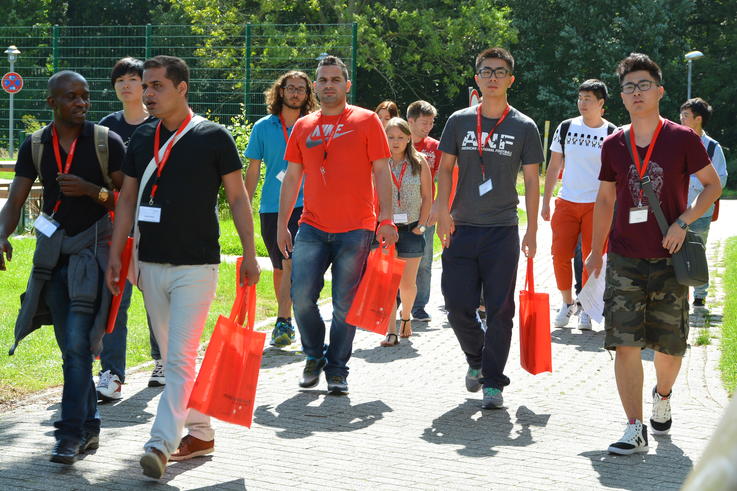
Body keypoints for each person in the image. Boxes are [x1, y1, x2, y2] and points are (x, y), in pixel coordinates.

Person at [105, 55, 260, 480]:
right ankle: (201, 433)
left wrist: (249, 253)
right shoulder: (141, 139)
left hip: (197, 265)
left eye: (156, 86)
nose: (148, 94)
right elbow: (127, 204)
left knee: (180, 357)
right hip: (148, 263)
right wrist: (117, 258)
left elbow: (238, 199)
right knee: (177, 359)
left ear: (181, 88)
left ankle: (159, 442)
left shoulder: (213, 136)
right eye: (146, 86)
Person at [585, 53, 720, 455]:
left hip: (668, 257)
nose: (636, 92)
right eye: (629, 87)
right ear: (622, 97)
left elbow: (711, 187)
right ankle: (633, 426)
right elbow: (605, 199)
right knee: (624, 343)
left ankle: (663, 396)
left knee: (669, 346)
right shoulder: (613, 143)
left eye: (643, 85)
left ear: (660, 91)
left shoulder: (682, 138)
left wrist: (683, 222)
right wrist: (596, 253)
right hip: (625, 258)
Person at [0, 71, 125, 464]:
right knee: (71, 349)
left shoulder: (107, 142)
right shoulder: (35, 144)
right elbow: (16, 199)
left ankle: (68, 435)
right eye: (71, 97)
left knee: (76, 347)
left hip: (94, 254)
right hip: (52, 257)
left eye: (85, 96)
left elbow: (128, 202)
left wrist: (94, 191)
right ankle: (89, 426)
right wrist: (1, 235)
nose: (81, 103)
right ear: (51, 102)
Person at [277, 55, 397, 395]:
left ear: (346, 85)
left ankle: (338, 369)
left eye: (335, 80)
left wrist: (385, 218)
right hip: (312, 227)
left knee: (345, 304)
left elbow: (382, 172)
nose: (329, 85)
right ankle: (314, 355)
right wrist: (282, 224)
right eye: (323, 80)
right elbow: (292, 179)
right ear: (316, 86)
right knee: (301, 298)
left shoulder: (366, 120)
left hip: (356, 228)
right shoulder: (304, 126)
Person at [431, 47, 543, 410]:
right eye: (485, 71)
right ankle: (478, 359)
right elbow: (444, 169)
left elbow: (531, 181)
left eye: (499, 72)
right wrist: (440, 211)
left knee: (500, 309)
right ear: (477, 78)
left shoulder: (524, 126)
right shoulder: (459, 121)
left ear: (510, 80)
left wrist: (532, 231)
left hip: (502, 230)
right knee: (457, 305)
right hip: (461, 227)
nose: (492, 77)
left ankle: (494, 381)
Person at [96, 57, 164, 403]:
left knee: (155, 296)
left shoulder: (160, 124)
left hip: (155, 226)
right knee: (115, 298)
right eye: (119, 79)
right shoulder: (105, 129)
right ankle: (112, 373)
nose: (126, 85)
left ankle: (163, 360)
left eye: (133, 79)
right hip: (116, 225)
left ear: (146, 85)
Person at [245, 70, 318, 347]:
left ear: (308, 94)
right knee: (280, 267)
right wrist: (245, 205)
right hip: (271, 207)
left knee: (291, 263)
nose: (296, 93)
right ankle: (286, 316)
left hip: (307, 204)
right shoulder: (263, 127)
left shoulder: (314, 125)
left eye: (301, 89)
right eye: (291, 88)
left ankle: (284, 320)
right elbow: (253, 169)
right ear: (280, 91)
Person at [542, 79, 617, 330]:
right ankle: (567, 303)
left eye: (588, 99)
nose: (582, 103)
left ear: (601, 103)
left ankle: (587, 307)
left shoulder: (612, 133)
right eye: (580, 98)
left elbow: (617, 175)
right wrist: (545, 201)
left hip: (597, 206)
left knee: (591, 258)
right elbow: (553, 166)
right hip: (566, 202)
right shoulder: (566, 127)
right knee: (559, 255)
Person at [379, 117, 432, 347]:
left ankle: (406, 318)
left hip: (411, 228)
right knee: (387, 283)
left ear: (409, 137)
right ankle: (390, 330)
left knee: (407, 284)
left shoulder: (419, 162)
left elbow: (429, 196)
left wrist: (422, 224)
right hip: (385, 229)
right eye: (390, 137)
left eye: (400, 137)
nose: (395, 142)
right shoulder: (379, 162)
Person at [678, 97, 728, 310]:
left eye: (686, 115)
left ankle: (700, 296)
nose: (681, 118)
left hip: (701, 210)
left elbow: (721, 179)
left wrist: (695, 183)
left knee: (697, 251)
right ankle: (680, 295)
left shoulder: (712, 147)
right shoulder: (674, 142)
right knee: (674, 252)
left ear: (698, 119)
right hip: (676, 209)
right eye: (681, 114)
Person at [406, 100, 442, 322]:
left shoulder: (435, 147)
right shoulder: (397, 140)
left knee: (424, 259)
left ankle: (419, 306)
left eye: (431, 123)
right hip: (399, 211)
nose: (428, 127)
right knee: (398, 257)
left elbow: (442, 178)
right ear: (410, 121)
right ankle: (396, 301)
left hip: (426, 212)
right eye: (424, 122)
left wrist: (439, 206)